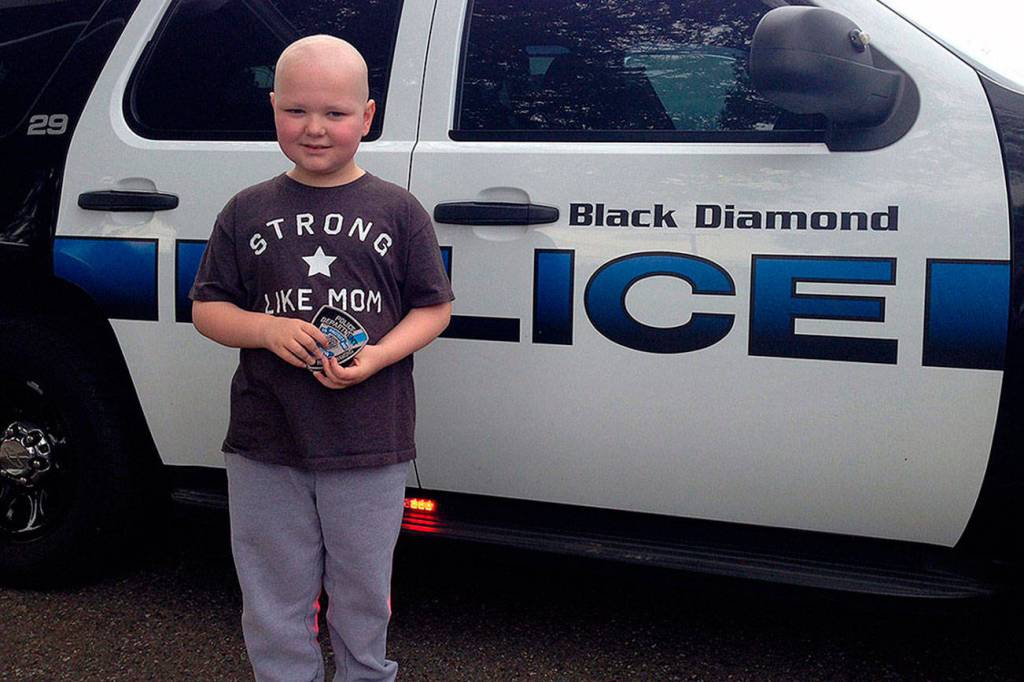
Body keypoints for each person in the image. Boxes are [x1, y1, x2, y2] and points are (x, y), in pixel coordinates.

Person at [189, 34, 453, 682]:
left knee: (363, 589)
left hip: (370, 443)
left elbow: (434, 307)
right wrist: (264, 329)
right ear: (273, 108)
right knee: (273, 592)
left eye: (335, 114)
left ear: (366, 117)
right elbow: (207, 309)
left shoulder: (398, 210)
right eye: (297, 110)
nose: (314, 128)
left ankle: (366, 673)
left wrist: (380, 355)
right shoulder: (246, 210)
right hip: (264, 441)